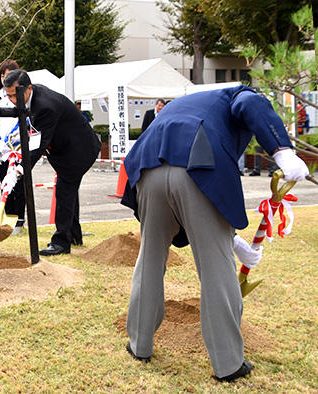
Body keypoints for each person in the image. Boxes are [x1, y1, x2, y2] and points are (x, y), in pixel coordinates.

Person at [120, 86, 309, 381]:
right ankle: (228, 363)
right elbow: (250, 103)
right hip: (197, 163)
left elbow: (185, 210)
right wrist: (282, 151)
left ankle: (139, 344)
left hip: (148, 168)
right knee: (215, 268)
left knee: (150, 259)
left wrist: (231, 238)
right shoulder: (239, 94)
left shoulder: (189, 102)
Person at [2, 69, 101, 255]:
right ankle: (73, 235)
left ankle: (61, 242)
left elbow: (39, 144)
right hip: (65, 148)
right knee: (69, 191)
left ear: (28, 88)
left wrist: (18, 171)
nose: (13, 101)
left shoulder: (46, 105)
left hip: (78, 149)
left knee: (64, 191)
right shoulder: (32, 97)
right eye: (9, 96)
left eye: (15, 95)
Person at [0, 60, 27, 235]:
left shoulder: (21, 96)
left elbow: (24, 121)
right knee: (5, 183)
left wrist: (13, 141)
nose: (6, 79)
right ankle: (7, 219)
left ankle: (18, 221)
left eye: (9, 75)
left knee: (18, 185)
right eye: (3, 76)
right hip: (1, 148)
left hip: (17, 147)